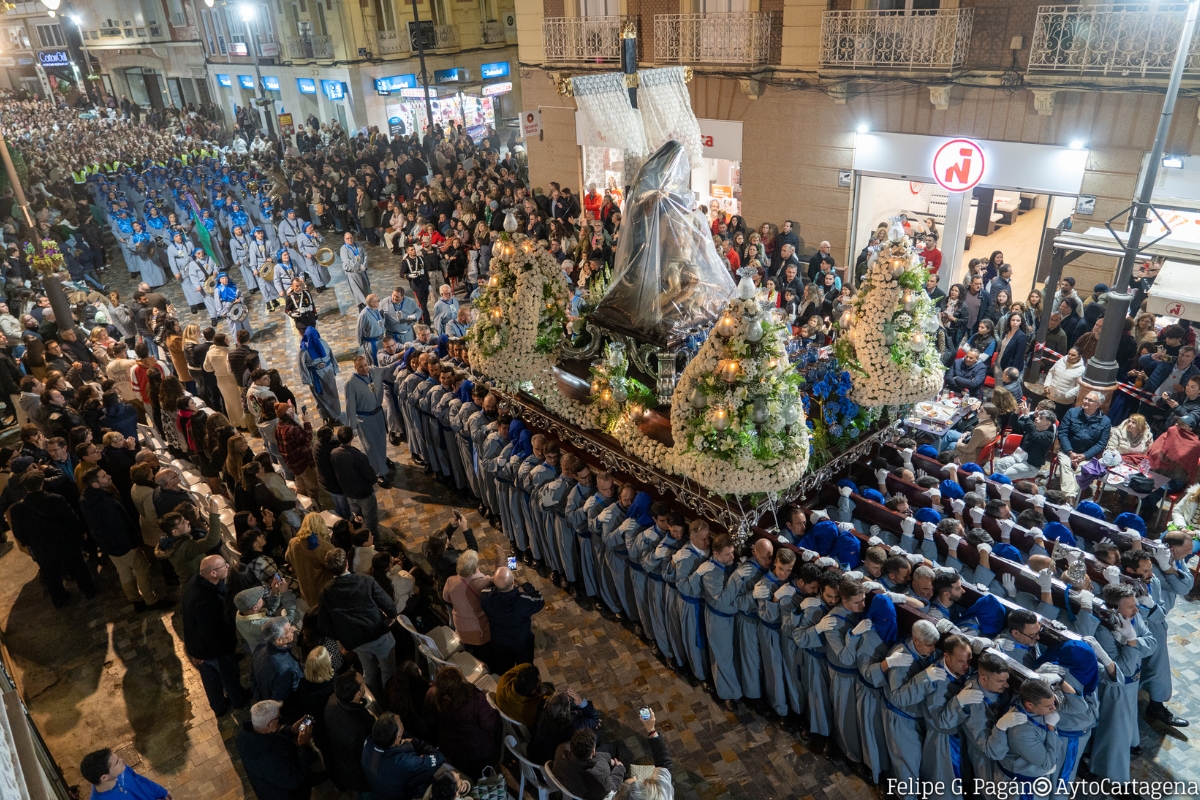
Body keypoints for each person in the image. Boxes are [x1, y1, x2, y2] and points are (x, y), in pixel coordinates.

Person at [10, 469, 98, 607]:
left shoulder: (17, 509)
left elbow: (19, 532)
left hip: (42, 548)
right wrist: (81, 531)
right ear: (41, 483)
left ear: (25, 487)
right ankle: (89, 591)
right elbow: (71, 518)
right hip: (65, 541)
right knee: (78, 567)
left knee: (51, 575)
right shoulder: (55, 499)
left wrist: (31, 543)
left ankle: (59, 599)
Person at [318, 547, 398, 699]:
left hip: (357, 642)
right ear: (346, 564)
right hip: (378, 635)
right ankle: (390, 700)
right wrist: (392, 616)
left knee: (369, 672)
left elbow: (324, 626)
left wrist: (344, 634)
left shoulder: (326, 593)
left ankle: (375, 701)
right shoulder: (365, 581)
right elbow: (388, 604)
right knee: (388, 671)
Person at [79, 466, 159, 610]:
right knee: (142, 568)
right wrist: (133, 544)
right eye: (104, 476)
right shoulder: (105, 503)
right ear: (95, 484)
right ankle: (150, 600)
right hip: (123, 545)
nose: (109, 476)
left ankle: (135, 600)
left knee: (123, 571)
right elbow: (119, 527)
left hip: (108, 545)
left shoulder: (86, 498)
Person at [182, 554, 252, 715]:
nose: (228, 566)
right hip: (213, 649)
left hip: (201, 647)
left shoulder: (198, 581)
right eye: (224, 565)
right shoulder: (205, 601)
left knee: (211, 678)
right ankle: (238, 699)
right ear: (213, 573)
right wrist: (201, 653)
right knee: (227, 673)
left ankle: (219, 706)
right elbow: (209, 631)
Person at [424, 665, 500, 779]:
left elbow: (429, 718)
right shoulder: (475, 699)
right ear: (459, 683)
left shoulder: (431, 695)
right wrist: (495, 713)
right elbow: (490, 724)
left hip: (450, 748)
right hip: (477, 752)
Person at [236, 699, 315, 800]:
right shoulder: (267, 758)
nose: (280, 721)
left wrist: (291, 730)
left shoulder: (246, 736)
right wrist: (303, 746)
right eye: (279, 718)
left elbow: (273, 736)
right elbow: (294, 780)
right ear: (270, 724)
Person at [361, 713, 446, 800]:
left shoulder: (369, 743)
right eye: (399, 721)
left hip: (379, 788)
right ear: (398, 738)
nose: (399, 716)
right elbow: (439, 757)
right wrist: (415, 742)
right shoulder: (406, 762)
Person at [480, 565, 545, 675]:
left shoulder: (486, 598)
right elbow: (539, 600)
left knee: (505, 669)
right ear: (513, 583)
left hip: (499, 641)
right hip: (521, 642)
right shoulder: (523, 601)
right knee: (526, 669)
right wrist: (525, 584)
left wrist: (497, 581)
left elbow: (487, 590)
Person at [324, 671, 376, 794]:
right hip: (359, 772)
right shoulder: (359, 724)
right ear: (358, 694)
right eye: (363, 683)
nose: (364, 682)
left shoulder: (333, 700)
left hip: (340, 762)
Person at [344, 355, 392, 487]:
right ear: (355, 367)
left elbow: (387, 368)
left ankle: (382, 461)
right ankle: (379, 472)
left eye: (365, 365)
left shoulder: (374, 371)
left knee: (381, 440)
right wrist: (352, 427)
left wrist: (403, 358)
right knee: (371, 446)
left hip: (378, 414)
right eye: (360, 366)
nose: (364, 368)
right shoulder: (351, 383)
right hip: (364, 418)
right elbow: (350, 406)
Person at [1056, 391, 1111, 497]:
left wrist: (1085, 456)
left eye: (1090, 400)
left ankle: (1068, 497)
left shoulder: (1105, 421)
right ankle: (1070, 497)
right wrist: (1070, 452)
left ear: (1098, 404)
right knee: (1066, 465)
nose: (1085, 401)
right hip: (1067, 451)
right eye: (1085, 398)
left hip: (1087, 456)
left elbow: (1101, 443)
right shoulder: (1072, 412)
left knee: (1082, 470)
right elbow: (1062, 433)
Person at [442, 548, 492, 659]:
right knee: (484, 654)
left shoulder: (450, 581)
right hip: (479, 632)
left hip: (460, 628)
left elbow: (446, 598)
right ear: (475, 567)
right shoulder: (483, 581)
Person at [552, 728, 626, 800]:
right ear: (593, 751)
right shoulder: (599, 773)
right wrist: (619, 768)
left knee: (608, 750)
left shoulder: (561, 749)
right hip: (588, 789)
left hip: (570, 783)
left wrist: (608, 760)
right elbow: (613, 789)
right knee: (611, 748)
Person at [79, 748, 172, 800]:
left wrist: (161, 792)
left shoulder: (121, 770)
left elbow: (140, 780)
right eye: (116, 763)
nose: (121, 761)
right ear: (104, 778)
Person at [342, 231, 371, 309]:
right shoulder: (344, 249)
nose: (350, 240)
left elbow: (365, 254)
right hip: (352, 272)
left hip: (362, 270)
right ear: (344, 239)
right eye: (347, 238)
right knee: (357, 290)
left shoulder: (358, 245)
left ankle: (368, 302)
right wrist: (358, 267)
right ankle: (362, 305)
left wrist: (364, 265)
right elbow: (347, 261)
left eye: (351, 238)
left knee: (366, 288)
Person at [357, 294, 387, 364]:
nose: (379, 302)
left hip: (381, 341)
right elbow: (359, 330)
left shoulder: (376, 310)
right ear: (372, 303)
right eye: (377, 301)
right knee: (375, 363)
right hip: (372, 343)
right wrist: (363, 343)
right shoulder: (364, 314)